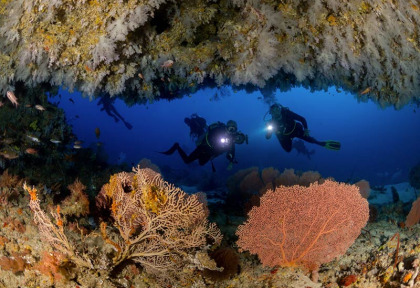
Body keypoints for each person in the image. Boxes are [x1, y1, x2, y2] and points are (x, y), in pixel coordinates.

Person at [160, 120, 248, 171]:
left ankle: (195, 159)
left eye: (234, 129)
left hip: (210, 154)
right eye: (230, 128)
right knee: (187, 160)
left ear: (236, 130)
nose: (231, 130)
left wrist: (231, 161)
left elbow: (231, 153)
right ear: (226, 127)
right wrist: (219, 139)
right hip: (203, 147)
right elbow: (211, 132)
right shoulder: (219, 129)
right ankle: (177, 146)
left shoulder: (231, 141)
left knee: (201, 163)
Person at [265, 104, 341, 152]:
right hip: (285, 136)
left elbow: (302, 119)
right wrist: (269, 131)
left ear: (280, 109)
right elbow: (267, 137)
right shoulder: (270, 123)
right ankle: (293, 143)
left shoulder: (287, 113)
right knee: (288, 150)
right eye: (273, 111)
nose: (276, 112)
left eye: (277, 109)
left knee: (311, 140)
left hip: (296, 130)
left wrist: (306, 129)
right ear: (271, 113)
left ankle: (323, 143)